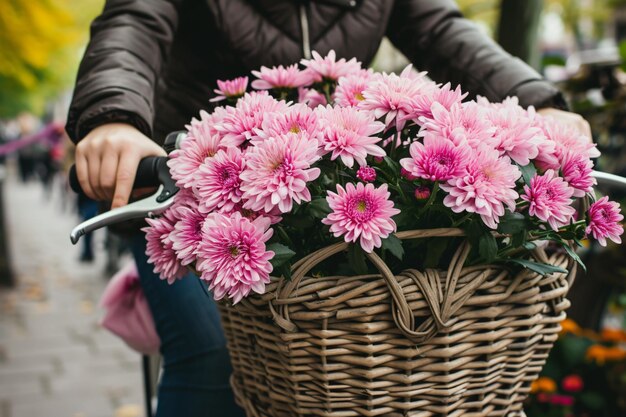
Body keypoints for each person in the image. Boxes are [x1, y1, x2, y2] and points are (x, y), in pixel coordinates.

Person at [65, 1, 592, 416]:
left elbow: (446, 32)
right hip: (190, 194)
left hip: (321, 195)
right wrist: (114, 116)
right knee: (212, 352)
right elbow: (133, 24)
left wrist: (536, 98)